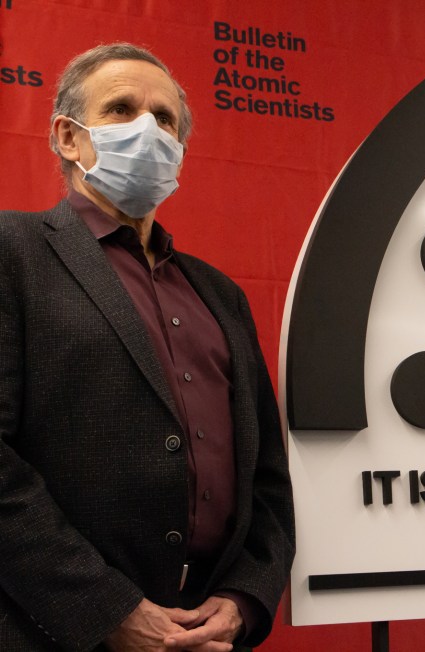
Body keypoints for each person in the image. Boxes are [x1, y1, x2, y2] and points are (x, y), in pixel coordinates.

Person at [0, 43, 294, 651]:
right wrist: (107, 610)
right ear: (67, 136)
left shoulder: (221, 295)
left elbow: (267, 476)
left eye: (164, 120)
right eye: (120, 109)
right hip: (53, 633)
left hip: (206, 637)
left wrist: (245, 599)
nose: (148, 130)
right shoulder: (13, 252)